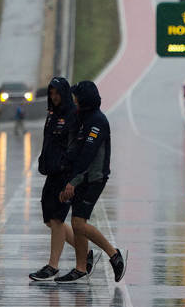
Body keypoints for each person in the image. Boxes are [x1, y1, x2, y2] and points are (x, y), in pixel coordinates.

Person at [55, 80, 126, 283]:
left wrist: (73, 182)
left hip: (94, 177)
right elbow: (73, 150)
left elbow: (87, 154)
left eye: (76, 97)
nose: (73, 100)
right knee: (77, 223)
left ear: (84, 100)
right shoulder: (81, 119)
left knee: (78, 223)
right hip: (80, 178)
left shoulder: (97, 121)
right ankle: (80, 267)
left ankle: (114, 255)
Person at [29, 77, 92, 281]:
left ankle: (52, 266)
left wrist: (71, 175)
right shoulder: (52, 114)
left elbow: (76, 147)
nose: (54, 97)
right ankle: (85, 251)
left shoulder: (73, 115)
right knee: (50, 220)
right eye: (51, 93)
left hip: (65, 174)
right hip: (51, 173)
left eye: (57, 93)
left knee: (57, 219)